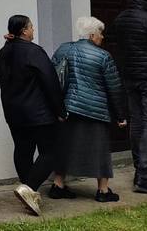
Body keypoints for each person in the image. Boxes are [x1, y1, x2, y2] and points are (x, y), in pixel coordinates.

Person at [50, 16, 127, 203]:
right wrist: (121, 115)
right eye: (100, 33)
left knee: (65, 147)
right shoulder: (103, 56)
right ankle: (103, 190)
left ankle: (58, 185)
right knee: (100, 150)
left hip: (68, 108)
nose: (102, 37)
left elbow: (52, 76)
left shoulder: (62, 49)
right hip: (95, 110)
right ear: (92, 35)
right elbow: (114, 87)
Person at [0, 15, 65, 216]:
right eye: (31, 27)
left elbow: (2, 81)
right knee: (50, 152)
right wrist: (60, 109)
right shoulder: (34, 52)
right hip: (38, 112)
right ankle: (29, 188)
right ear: (24, 31)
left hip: (13, 111)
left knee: (23, 150)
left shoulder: (2, 54)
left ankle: (28, 193)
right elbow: (50, 81)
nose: (33, 30)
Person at [113, 0, 147, 193]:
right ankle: (146, 175)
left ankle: (139, 169)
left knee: (136, 122)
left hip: (129, 77)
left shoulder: (120, 19)